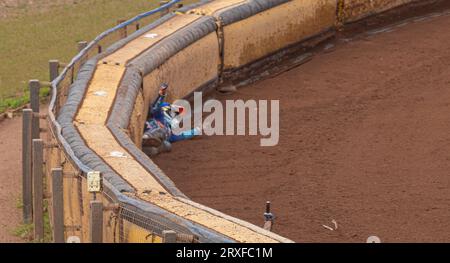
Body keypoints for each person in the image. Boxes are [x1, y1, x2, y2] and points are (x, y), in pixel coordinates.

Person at [142, 83, 200, 156]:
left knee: (168, 145)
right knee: (161, 132)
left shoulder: (172, 134)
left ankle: (153, 148)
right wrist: (161, 95)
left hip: (159, 138)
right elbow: (156, 107)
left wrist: (196, 130)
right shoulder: (159, 116)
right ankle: (149, 138)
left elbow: (184, 135)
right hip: (150, 130)